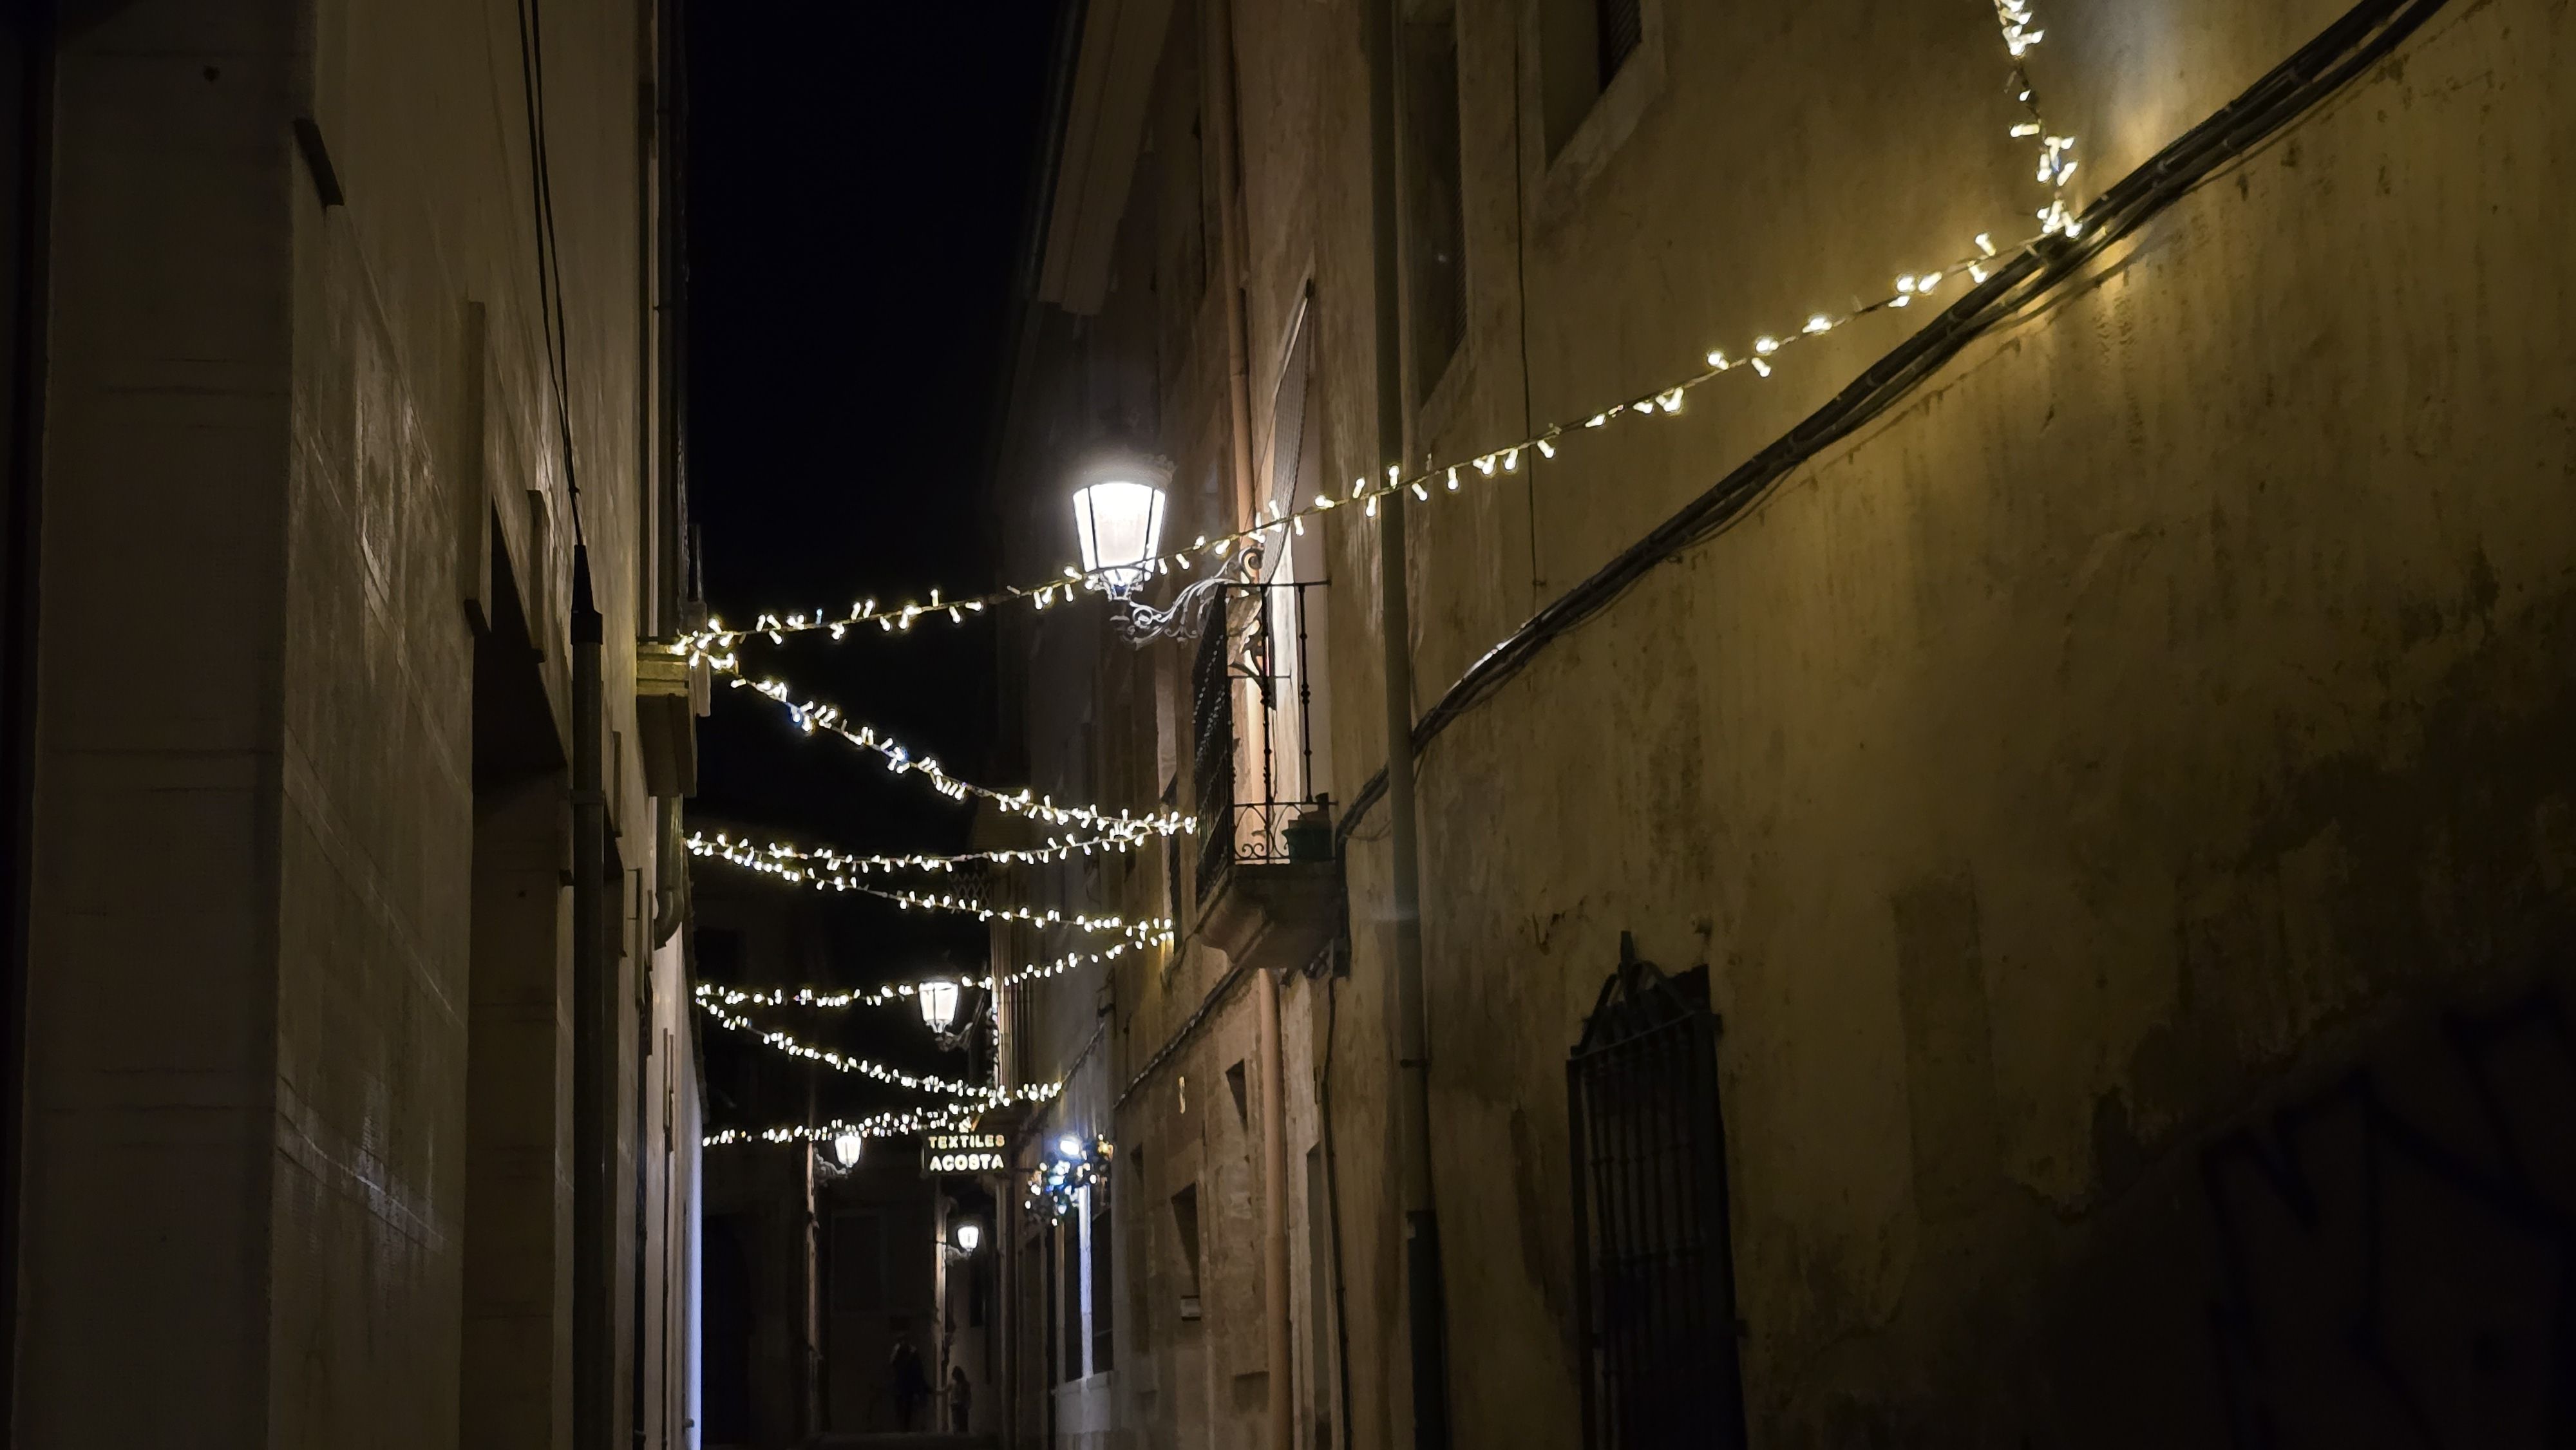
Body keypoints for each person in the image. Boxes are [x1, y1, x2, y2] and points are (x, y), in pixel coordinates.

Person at [889, 1333, 929, 1431]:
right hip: (900, 1382)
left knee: (908, 1404)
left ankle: (906, 1427)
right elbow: (892, 1363)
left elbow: (918, 1368)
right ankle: (901, 1425)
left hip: (909, 1382)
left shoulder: (913, 1352)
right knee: (900, 1404)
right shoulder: (898, 1351)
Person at [948, 1366, 971, 1433]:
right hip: (956, 1406)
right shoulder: (954, 1384)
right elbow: (946, 1390)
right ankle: (958, 1434)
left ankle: (961, 1435)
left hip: (962, 1406)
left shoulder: (965, 1384)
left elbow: (968, 1395)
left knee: (962, 1424)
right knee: (956, 1423)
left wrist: (967, 1404)